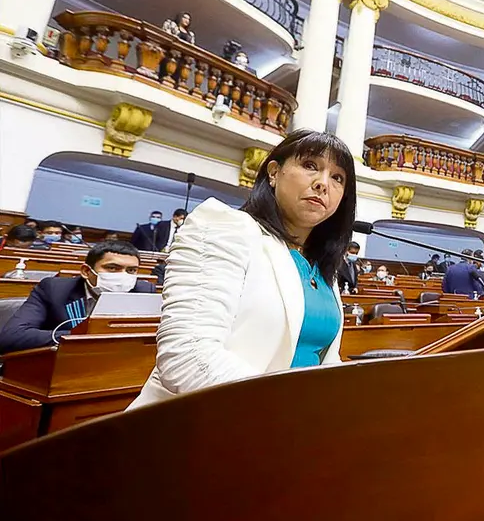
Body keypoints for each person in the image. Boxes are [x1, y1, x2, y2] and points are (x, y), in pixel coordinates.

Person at [127, 130, 357, 409]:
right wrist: (285, 410)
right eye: (310, 165)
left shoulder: (320, 265)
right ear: (274, 173)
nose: (323, 184)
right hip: (208, 424)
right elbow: (187, 355)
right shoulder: (225, 226)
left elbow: (323, 361)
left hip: (295, 430)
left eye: (338, 178)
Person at [0, 241, 155, 353]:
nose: (123, 276)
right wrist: (86, 336)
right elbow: (12, 336)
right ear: (86, 271)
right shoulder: (54, 289)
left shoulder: (143, 290)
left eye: (132, 270)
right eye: (112, 268)